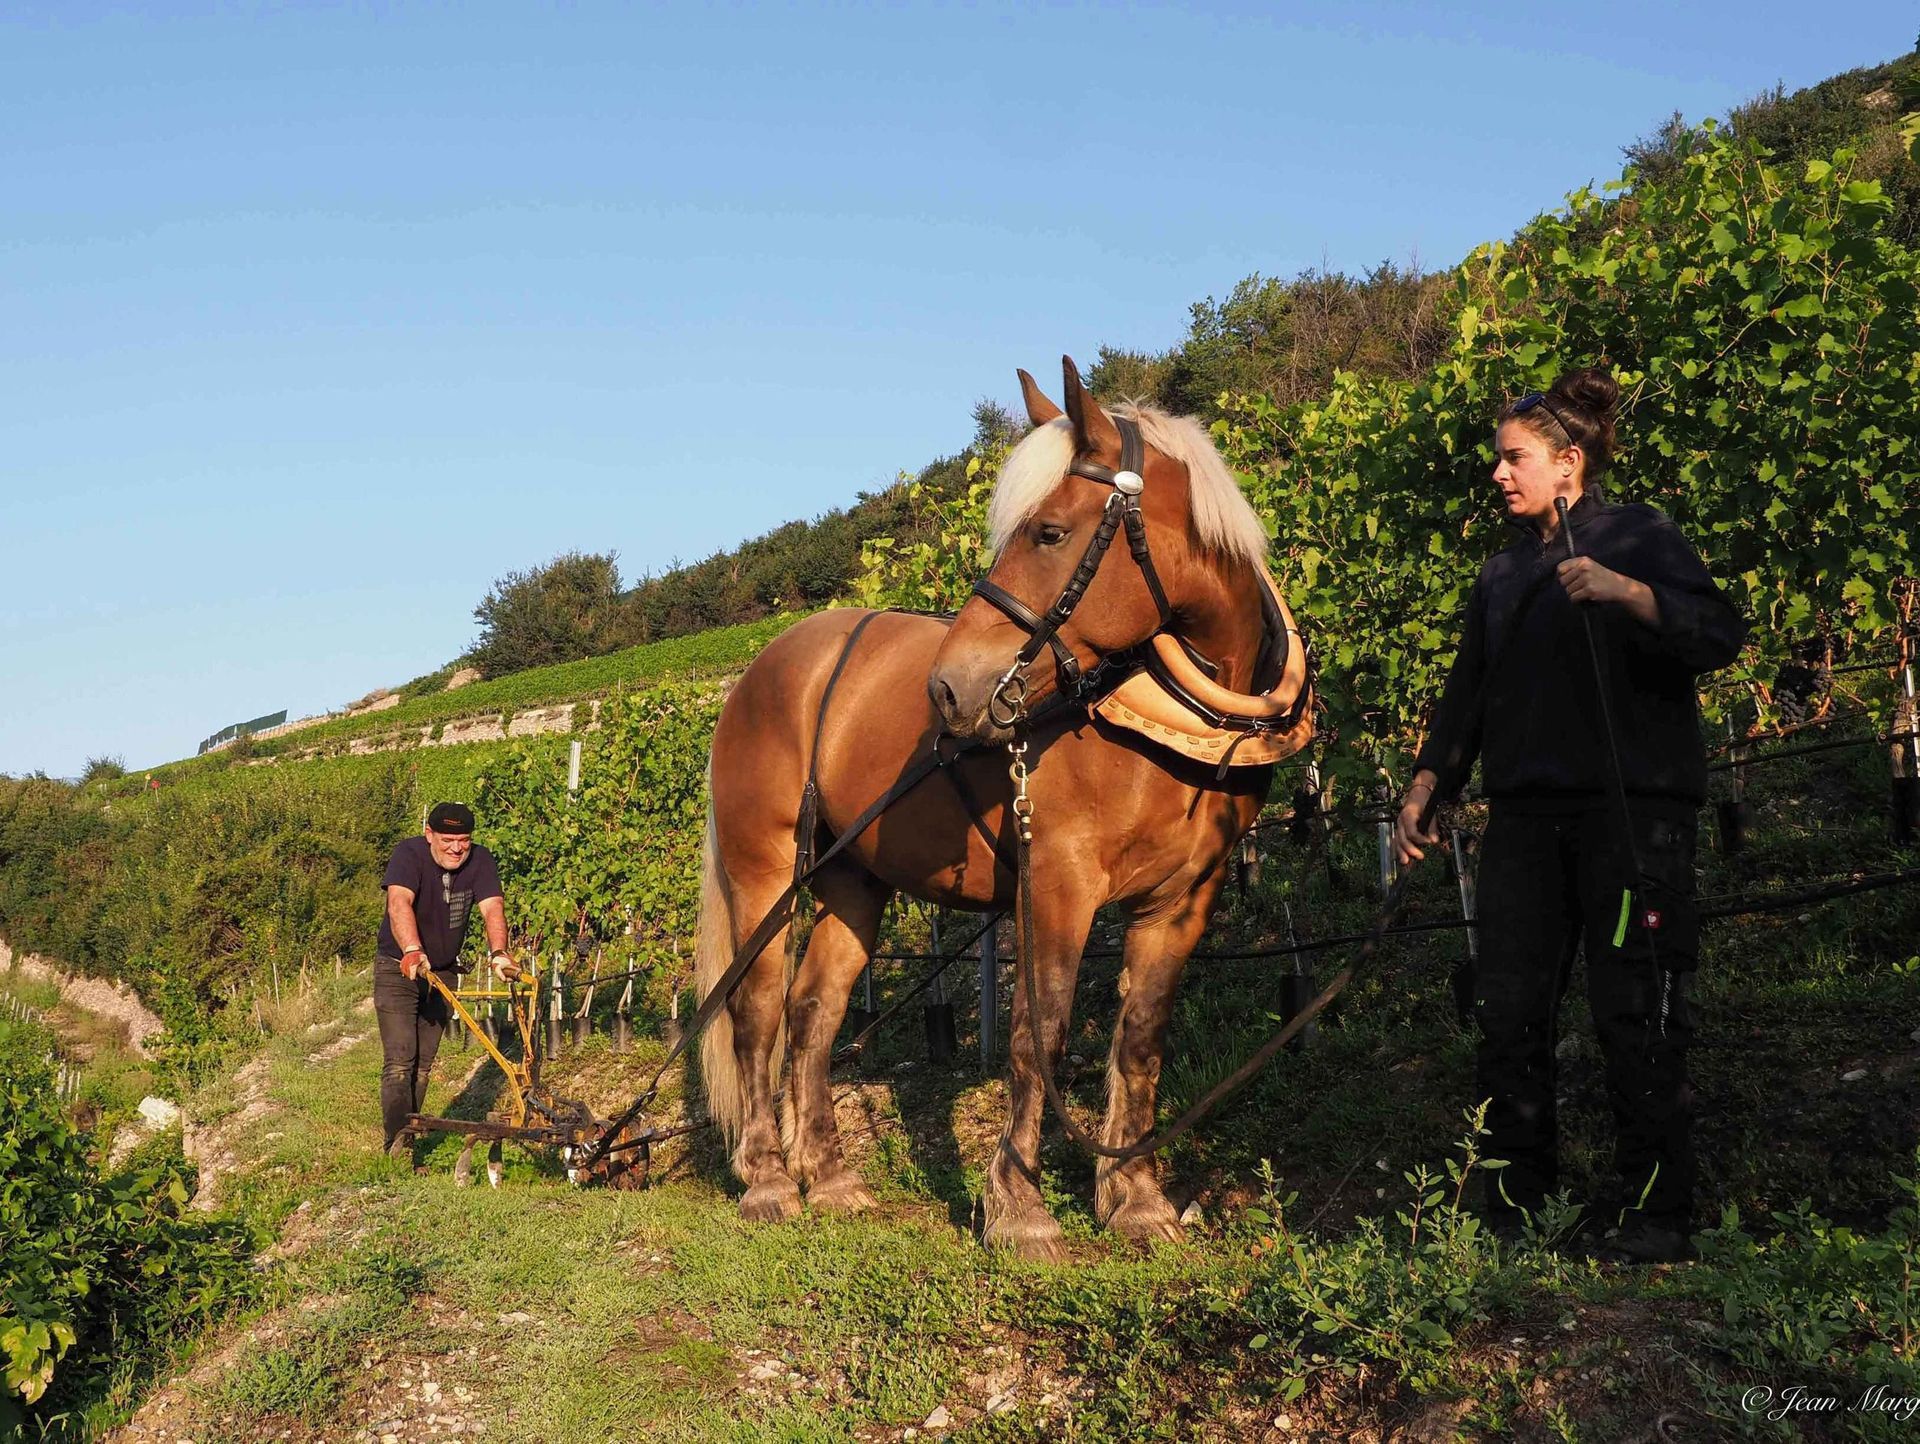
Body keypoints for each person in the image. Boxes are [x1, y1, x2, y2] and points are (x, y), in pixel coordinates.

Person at [1392, 368, 1746, 1264]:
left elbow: (1718, 635)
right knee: (1510, 1011)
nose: (1499, 475)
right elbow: (1467, 695)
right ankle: (1515, 1204)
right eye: (1499, 461)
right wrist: (1430, 781)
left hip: (1633, 820)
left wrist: (1629, 593)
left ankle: (1657, 1215)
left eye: (1514, 460)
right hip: (1523, 823)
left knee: (1639, 1008)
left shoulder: (1641, 535)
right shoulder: (1503, 574)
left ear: (1568, 462)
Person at [374, 800, 518, 1154]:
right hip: (399, 966)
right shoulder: (408, 854)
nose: (456, 848)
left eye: (464, 840)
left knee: (422, 1065)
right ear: (429, 835)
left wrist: (499, 953)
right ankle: (397, 1144)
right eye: (447, 840)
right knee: (400, 1060)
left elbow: (492, 908)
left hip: (443, 971)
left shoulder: (480, 860)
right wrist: (411, 948)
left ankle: (409, 1131)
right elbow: (399, 903)